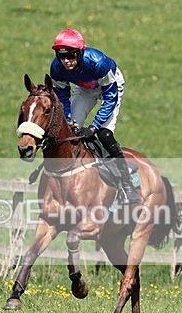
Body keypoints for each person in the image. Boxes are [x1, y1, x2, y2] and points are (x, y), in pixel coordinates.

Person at [49, 28, 140, 204]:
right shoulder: (56, 67)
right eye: (62, 56)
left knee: (104, 134)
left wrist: (93, 127)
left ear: (81, 52)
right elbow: (61, 97)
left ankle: (126, 184)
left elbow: (110, 98)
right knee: (70, 130)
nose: (66, 61)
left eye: (71, 55)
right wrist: (69, 119)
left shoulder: (98, 62)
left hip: (110, 88)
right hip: (84, 88)